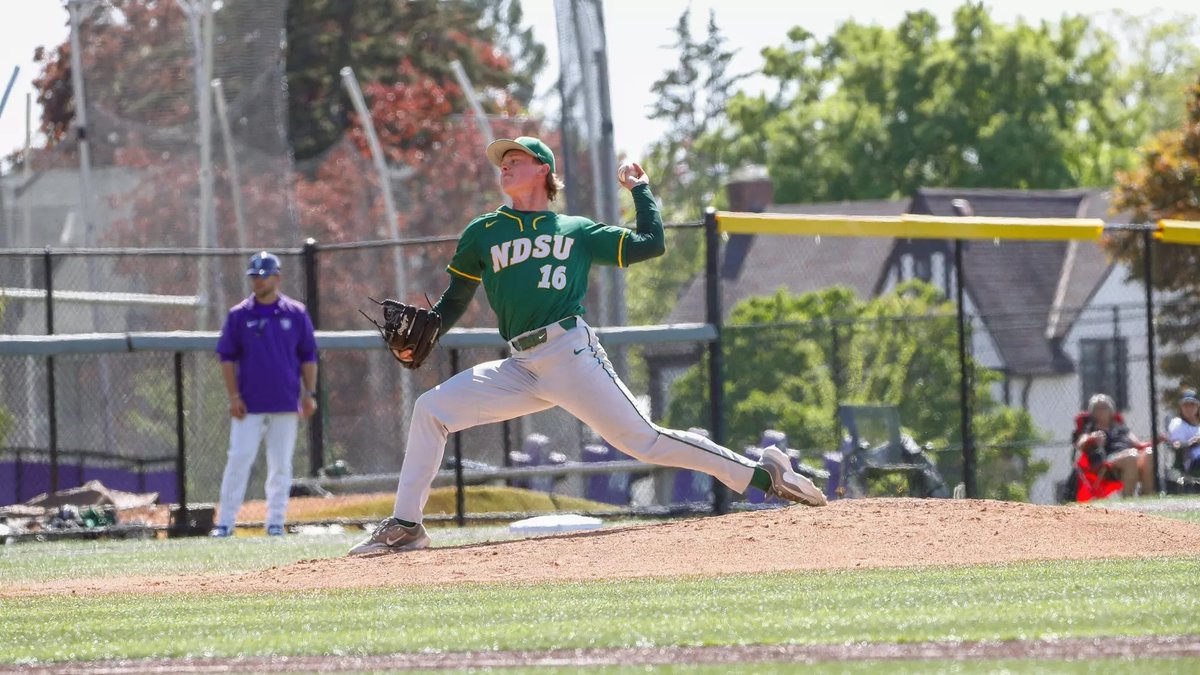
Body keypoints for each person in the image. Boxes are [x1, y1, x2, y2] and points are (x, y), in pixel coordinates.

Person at [349, 136, 826, 555]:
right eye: (502, 161)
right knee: (431, 409)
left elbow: (649, 244)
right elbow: (454, 300)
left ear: (543, 171)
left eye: (515, 159)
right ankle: (407, 526)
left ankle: (763, 475)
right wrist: (430, 328)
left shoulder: (574, 231)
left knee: (645, 441)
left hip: (568, 352)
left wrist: (640, 190)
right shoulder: (483, 233)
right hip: (519, 363)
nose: (505, 166)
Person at [211, 252, 318, 537]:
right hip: (249, 403)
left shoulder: (295, 313)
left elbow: (308, 355)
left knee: (281, 464)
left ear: (277, 277)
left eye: (263, 275)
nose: (257, 281)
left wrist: (309, 393)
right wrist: (234, 397)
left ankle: (275, 523)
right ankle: (225, 522)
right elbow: (226, 357)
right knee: (239, 459)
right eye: (254, 276)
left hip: (285, 402)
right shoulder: (239, 315)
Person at [1075, 393, 1154, 498]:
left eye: (1104, 407)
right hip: (1107, 460)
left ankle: (1146, 496)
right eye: (1097, 408)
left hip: (1128, 456)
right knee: (1132, 456)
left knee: (1149, 453)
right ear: (1092, 412)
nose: (1101, 411)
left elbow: (1139, 444)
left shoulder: (1120, 428)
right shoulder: (1090, 428)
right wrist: (1092, 438)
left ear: (1111, 411)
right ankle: (1128, 499)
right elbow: (1080, 444)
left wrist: (1157, 440)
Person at [1168, 389, 1200, 475]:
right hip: (1192, 461)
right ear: (1181, 407)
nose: (1189, 408)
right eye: (1186, 405)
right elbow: (1176, 445)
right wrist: (1192, 442)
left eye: (1192, 405)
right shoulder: (1178, 423)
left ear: (1198, 406)